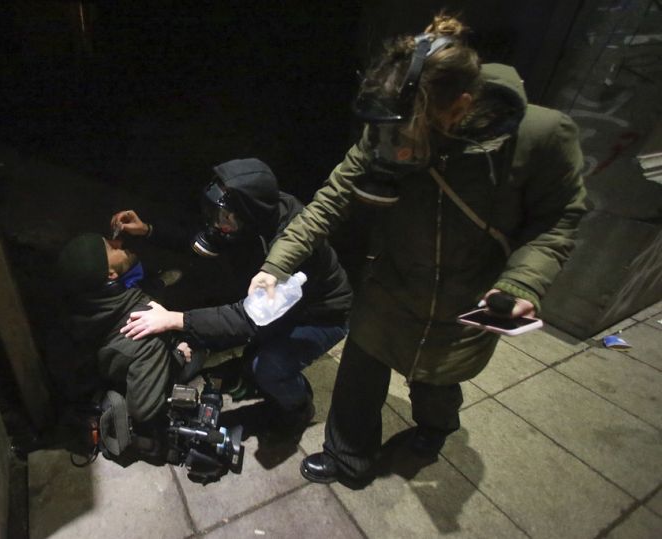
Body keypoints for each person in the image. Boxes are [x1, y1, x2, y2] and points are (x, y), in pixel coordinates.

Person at [248, 14, 587, 486]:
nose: (397, 147)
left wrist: (522, 282)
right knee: (360, 375)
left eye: (412, 134)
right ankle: (349, 457)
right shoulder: (391, 122)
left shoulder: (540, 136)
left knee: (436, 382)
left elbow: (559, 219)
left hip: (467, 297)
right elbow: (332, 198)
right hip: (390, 283)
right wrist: (276, 264)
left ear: (462, 106)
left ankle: (435, 429)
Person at [110, 158, 353, 432]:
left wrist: (174, 320)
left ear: (248, 212)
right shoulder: (250, 215)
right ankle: (252, 366)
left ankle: (299, 406)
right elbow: (199, 240)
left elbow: (248, 318)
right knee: (245, 346)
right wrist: (148, 230)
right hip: (282, 305)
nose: (218, 223)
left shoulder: (291, 248)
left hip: (321, 315)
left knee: (267, 367)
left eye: (224, 217)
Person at [47, 233, 198, 437]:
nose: (119, 243)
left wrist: (146, 230)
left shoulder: (76, 297)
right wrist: (177, 357)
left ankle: (158, 284)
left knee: (149, 286)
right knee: (197, 351)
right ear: (110, 274)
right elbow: (143, 411)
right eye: (111, 248)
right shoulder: (144, 327)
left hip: (95, 358)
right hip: (118, 366)